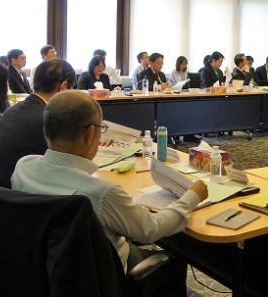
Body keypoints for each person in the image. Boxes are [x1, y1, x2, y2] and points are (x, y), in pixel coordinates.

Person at [11, 91, 208, 295]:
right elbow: (151, 230)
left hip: (44, 273)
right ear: (90, 134)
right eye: (101, 128)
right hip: (104, 279)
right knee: (173, 261)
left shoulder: (23, 167)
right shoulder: (101, 194)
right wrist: (192, 196)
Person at [0, 59, 76, 188]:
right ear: (63, 86)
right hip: (24, 193)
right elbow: (67, 165)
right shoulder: (49, 118)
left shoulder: (11, 110)